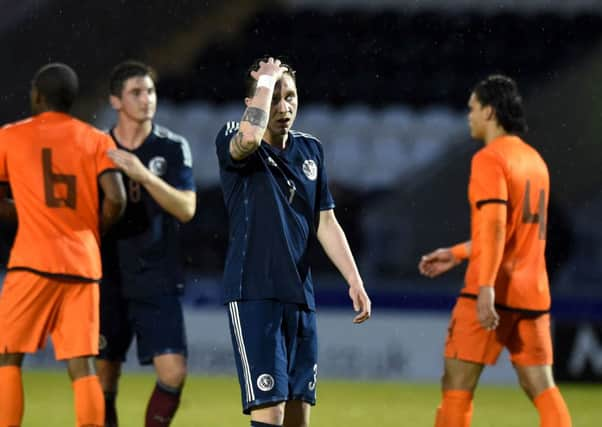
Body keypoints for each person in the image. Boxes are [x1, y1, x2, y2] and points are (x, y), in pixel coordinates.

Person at [215, 56, 371, 427]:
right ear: (252, 104)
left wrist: (354, 279)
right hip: (254, 291)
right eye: (273, 99)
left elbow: (325, 221)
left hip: (300, 296)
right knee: (271, 411)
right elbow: (249, 139)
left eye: (291, 97)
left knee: (298, 416)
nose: (284, 108)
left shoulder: (310, 151)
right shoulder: (233, 137)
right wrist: (266, 80)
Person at [418, 75, 572, 427]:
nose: (468, 116)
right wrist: (456, 253)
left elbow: (495, 228)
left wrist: (485, 287)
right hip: (533, 294)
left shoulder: (489, 159)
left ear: (489, 112)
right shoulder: (536, 161)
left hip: (490, 289)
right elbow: (517, 235)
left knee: (456, 386)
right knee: (542, 387)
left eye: (472, 109)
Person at [0, 63, 126, 427]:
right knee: (83, 364)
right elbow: (116, 199)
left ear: (37, 96)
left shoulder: (10, 136)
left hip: (31, 261)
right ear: (71, 100)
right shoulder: (97, 139)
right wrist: (87, 227)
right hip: (82, 265)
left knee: (9, 356)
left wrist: (30, 212)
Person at [96, 60, 196, 427]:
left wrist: (142, 175)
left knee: (174, 372)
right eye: (136, 93)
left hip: (156, 275)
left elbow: (187, 208)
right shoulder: (97, 147)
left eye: (150, 91)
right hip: (107, 276)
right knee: (105, 378)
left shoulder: (171, 148)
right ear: (116, 102)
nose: (146, 99)